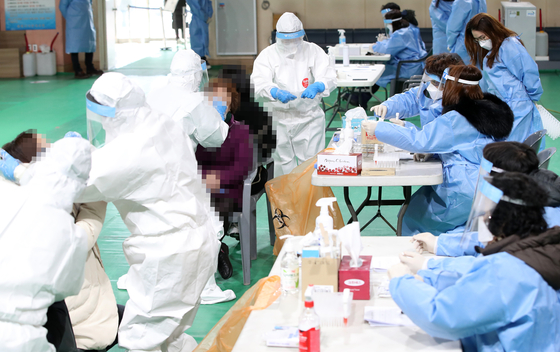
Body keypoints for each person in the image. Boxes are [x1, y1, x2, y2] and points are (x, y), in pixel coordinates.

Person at [79, 72, 220, 352]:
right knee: (172, 336)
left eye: (103, 117)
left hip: (168, 254)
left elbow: (82, 185)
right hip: (197, 241)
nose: (101, 124)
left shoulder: (131, 150)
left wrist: (26, 170)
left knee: (142, 336)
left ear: (116, 115)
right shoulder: (159, 123)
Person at [388, 172, 560, 352]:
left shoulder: (507, 270)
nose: (483, 219)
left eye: (486, 214)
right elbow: (478, 287)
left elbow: (443, 317)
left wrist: (401, 282)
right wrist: (431, 278)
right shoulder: (540, 249)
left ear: (501, 220)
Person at [2, 131, 123, 352]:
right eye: (47, 148)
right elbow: (83, 236)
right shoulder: (51, 217)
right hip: (74, 323)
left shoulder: (12, 197)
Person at [367, 65, 514, 236]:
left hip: (464, 191)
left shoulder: (457, 118)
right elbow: (461, 144)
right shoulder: (487, 110)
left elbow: (420, 141)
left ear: (452, 87)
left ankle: (423, 256)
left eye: (442, 85)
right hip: (487, 184)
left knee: (411, 216)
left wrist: (379, 128)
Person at [413, 141, 560, 257]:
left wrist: (427, 266)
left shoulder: (540, 221)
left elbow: (489, 266)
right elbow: (488, 242)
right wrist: (439, 243)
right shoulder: (533, 206)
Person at [251, 12, 336, 177]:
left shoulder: (313, 51)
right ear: (278, 37)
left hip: (309, 117)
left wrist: (319, 85)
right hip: (279, 118)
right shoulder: (268, 55)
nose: (290, 44)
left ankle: (310, 201)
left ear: (302, 35)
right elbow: (258, 83)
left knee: (311, 166)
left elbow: (329, 75)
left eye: (294, 39)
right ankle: (285, 203)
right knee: (283, 166)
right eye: (286, 40)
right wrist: (273, 91)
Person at [466, 13, 544, 149]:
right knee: (504, 149)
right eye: (477, 40)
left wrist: (533, 96)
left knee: (514, 150)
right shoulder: (492, 53)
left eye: (483, 37)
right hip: (502, 108)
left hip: (517, 107)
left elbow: (529, 73)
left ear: (493, 31)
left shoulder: (510, 46)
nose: (481, 42)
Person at [147, 49, 228, 151]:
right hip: (174, 162)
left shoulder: (154, 92)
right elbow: (215, 139)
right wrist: (219, 117)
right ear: (196, 75)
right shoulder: (195, 102)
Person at [371, 53, 464, 128]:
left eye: (436, 83)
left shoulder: (460, 107)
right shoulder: (427, 93)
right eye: (430, 81)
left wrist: (408, 128)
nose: (431, 86)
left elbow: (435, 139)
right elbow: (409, 100)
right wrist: (387, 107)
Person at [369, 10, 426, 98]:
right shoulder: (408, 29)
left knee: (377, 73)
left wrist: (374, 47)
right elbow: (391, 44)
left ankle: (359, 97)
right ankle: (359, 97)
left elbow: (387, 49)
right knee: (380, 71)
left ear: (393, 23)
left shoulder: (401, 34)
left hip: (407, 68)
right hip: (413, 65)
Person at [59, 0, 103, 79]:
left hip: (87, 21)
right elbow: (62, 7)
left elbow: (89, 3)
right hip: (74, 23)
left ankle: (90, 67)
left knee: (89, 44)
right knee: (74, 46)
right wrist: (70, 18)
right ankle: (77, 70)